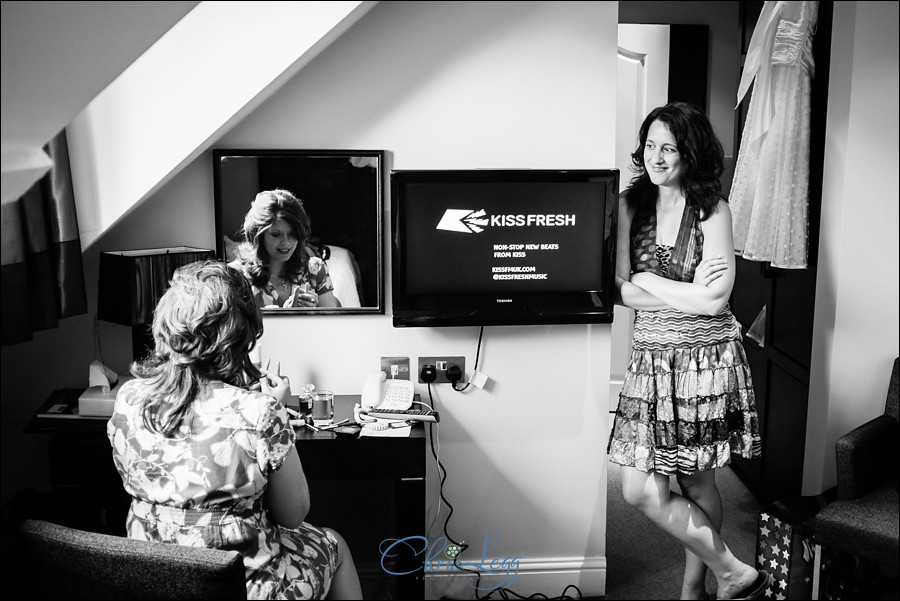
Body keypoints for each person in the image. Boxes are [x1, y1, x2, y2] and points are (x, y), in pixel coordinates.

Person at [106, 260, 362, 599]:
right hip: (239, 587)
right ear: (241, 334)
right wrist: (275, 417)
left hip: (153, 582)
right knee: (334, 543)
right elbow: (293, 516)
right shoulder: (260, 411)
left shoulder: (129, 398)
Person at [608, 102, 769, 601]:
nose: (656, 157)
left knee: (696, 482)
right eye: (650, 145)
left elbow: (716, 300)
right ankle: (733, 570)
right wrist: (683, 290)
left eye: (669, 148)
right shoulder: (628, 204)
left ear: (690, 152)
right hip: (651, 359)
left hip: (706, 360)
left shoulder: (712, 209)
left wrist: (649, 279)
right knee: (637, 489)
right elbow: (617, 289)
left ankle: (693, 584)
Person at [229, 189, 342, 309]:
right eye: (276, 234)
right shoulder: (235, 276)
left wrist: (313, 313)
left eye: (293, 234)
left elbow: (332, 324)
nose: (286, 243)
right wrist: (283, 315)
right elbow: (233, 326)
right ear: (258, 235)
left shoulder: (315, 269)